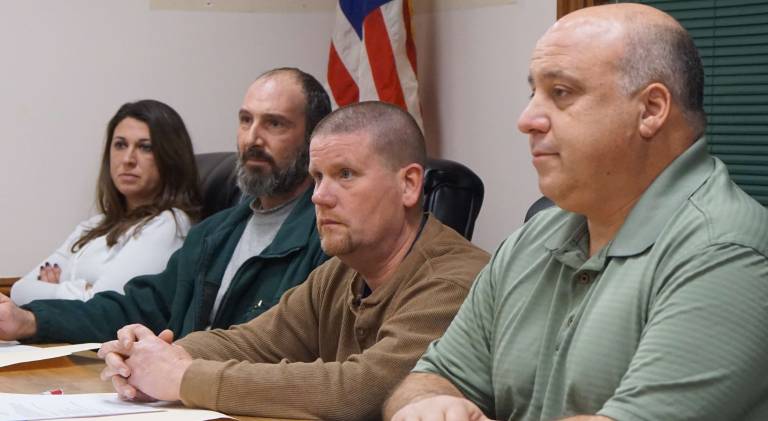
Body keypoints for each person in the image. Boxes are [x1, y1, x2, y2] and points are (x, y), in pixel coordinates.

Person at [385, 4, 768, 421]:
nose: (527, 119)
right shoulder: (531, 238)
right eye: (533, 93)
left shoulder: (726, 253)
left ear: (652, 109)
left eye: (561, 93)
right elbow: (434, 375)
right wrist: (424, 405)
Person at [97, 101, 490, 421]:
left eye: (345, 175)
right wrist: (153, 356)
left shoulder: (453, 280)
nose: (319, 196)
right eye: (317, 177)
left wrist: (183, 376)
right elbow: (251, 341)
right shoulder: (341, 271)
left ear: (408, 185)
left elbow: (362, 391)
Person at [0, 67, 331, 343]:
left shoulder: (326, 236)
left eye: (274, 124)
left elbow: (280, 348)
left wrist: (180, 365)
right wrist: (28, 321)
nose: (252, 139)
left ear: (313, 136)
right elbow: (137, 308)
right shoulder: (213, 234)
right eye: (246, 121)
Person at [10, 100, 200, 306]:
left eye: (145, 147)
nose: (128, 159)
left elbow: (103, 304)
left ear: (171, 157)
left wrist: (56, 287)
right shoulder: (94, 225)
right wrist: (82, 289)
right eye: (120, 144)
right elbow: (19, 290)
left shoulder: (169, 223)